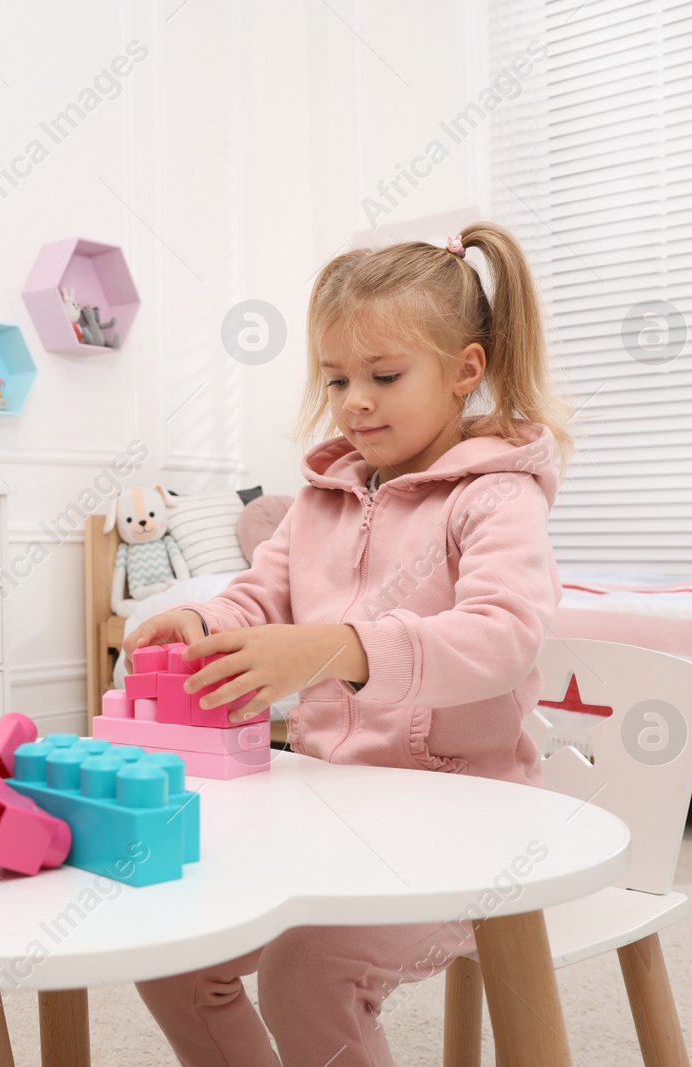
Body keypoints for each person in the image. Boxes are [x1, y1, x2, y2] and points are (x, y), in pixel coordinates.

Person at [123, 223, 575, 1067]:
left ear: (465, 371)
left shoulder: (496, 497)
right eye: (336, 378)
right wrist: (205, 624)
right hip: (329, 812)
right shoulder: (321, 498)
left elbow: (502, 637)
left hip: (470, 826)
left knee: (307, 971)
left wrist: (338, 648)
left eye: (384, 375)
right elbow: (260, 595)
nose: (354, 399)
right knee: (170, 946)